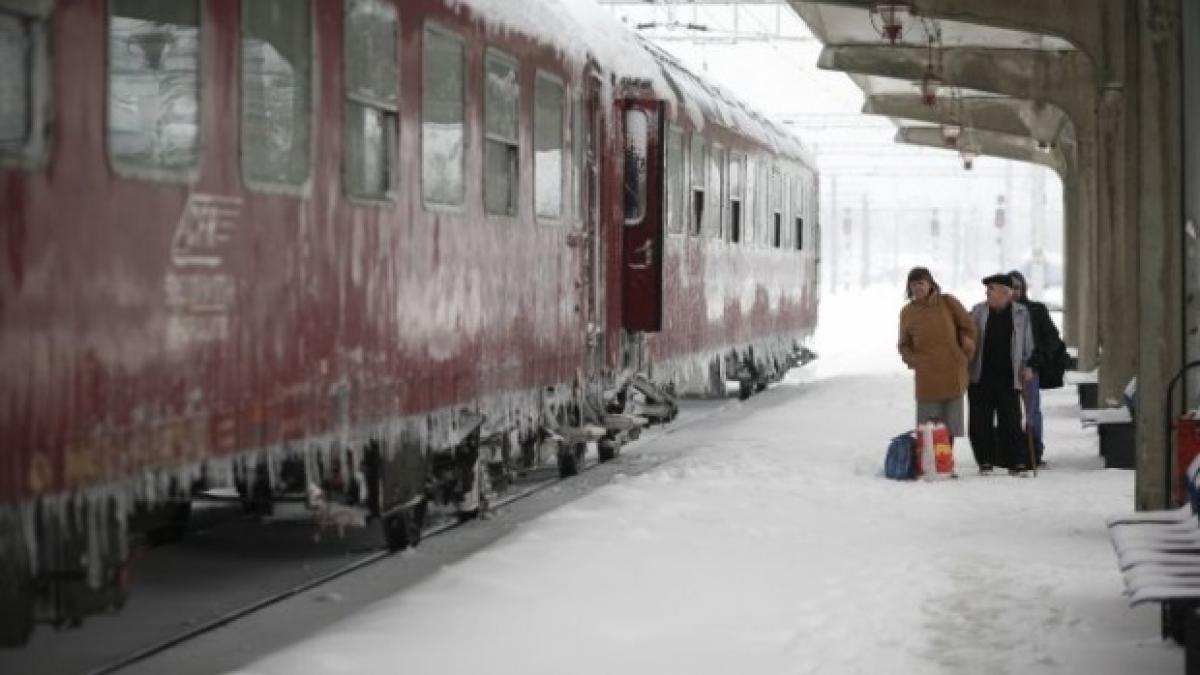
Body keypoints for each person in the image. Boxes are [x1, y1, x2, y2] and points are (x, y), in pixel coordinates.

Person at [897, 267, 977, 447]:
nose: (917, 287)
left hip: (952, 371)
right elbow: (904, 345)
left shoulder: (947, 302)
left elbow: (969, 326)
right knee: (928, 425)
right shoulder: (907, 312)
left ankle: (945, 464)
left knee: (949, 425)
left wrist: (964, 353)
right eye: (913, 284)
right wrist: (914, 361)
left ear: (930, 284)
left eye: (921, 283)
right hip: (927, 377)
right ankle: (930, 464)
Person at [967, 273, 1036, 476]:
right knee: (980, 423)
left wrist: (1028, 366)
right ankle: (985, 460)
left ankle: (1016, 462)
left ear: (1005, 293)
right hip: (981, 376)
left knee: (1011, 422)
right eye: (987, 289)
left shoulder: (1021, 314)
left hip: (1009, 377)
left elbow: (1028, 344)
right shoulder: (977, 311)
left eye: (991, 289)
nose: (986, 292)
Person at [1008, 269, 1062, 466]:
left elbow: (1050, 339)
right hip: (1006, 371)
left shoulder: (1036, 311)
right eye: (1009, 288)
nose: (1013, 292)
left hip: (1030, 368)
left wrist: (1034, 363)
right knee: (1011, 412)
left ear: (1023, 288)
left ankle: (1035, 451)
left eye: (1017, 288)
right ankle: (1015, 451)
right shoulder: (998, 312)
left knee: (1032, 411)